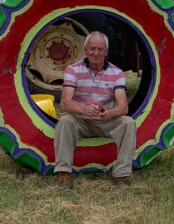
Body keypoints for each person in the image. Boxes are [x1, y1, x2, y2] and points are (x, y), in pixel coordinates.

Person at [53, 31, 136, 187]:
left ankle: (121, 176)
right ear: (85, 50)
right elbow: (65, 103)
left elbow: (123, 106)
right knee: (65, 121)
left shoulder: (117, 73)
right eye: (92, 49)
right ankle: (63, 174)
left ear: (106, 52)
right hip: (80, 119)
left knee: (128, 123)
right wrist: (85, 110)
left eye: (100, 49)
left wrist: (108, 114)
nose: (95, 53)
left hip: (106, 120)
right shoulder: (73, 70)